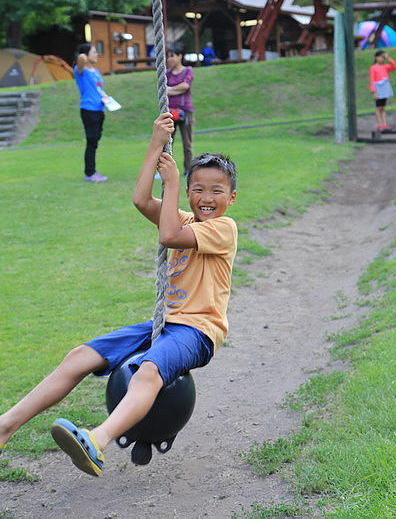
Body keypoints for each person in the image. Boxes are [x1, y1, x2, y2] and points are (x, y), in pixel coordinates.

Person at [0, 111, 238, 478]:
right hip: (165, 323)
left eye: (216, 191)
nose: (206, 198)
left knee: (148, 372)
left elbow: (168, 236)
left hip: (198, 330)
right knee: (81, 356)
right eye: (198, 189)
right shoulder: (186, 219)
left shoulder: (224, 228)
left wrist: (172, 182)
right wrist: (156, 145)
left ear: (232, 197)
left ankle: (99, 440)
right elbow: (142, 201)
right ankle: (5, 426)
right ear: (190, 192)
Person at [74, 43, 108, 182]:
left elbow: (99, 89)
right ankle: (90, 173)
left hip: (99, 109)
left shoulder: (96, 71)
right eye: (93, 52)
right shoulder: (80, 70)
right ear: (86, 55)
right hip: (89, 110)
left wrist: (106, 98)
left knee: (95, 140)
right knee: (91, 141)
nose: (96, 54)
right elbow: (80, 58)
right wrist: (84, 53)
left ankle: (91, 172)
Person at [166, 44, 194, 175]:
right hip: (170, 112)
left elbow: (185, 86)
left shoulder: (188, 70)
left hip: (185, 111)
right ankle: (165, 170)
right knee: (167, 143)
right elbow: (162, 89)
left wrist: (170, 90)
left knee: (187, 143)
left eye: (172, 56)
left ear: (179, 56)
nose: (169, 59)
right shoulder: (167, 73)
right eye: (168, 56)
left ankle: (188, 170)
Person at [369, 50, 396, 130]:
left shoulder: (385, 67)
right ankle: (379, 124)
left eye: (383, 57)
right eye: (381, 57)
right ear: (376, 57)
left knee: (383, 107)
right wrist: (374, 92)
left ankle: (385, 124)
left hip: (385, 88)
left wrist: (388, 58)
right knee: (379, 107)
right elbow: (372, 80)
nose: (382, 59)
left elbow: (395, 67)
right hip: (378, 88)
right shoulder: (373, 68)